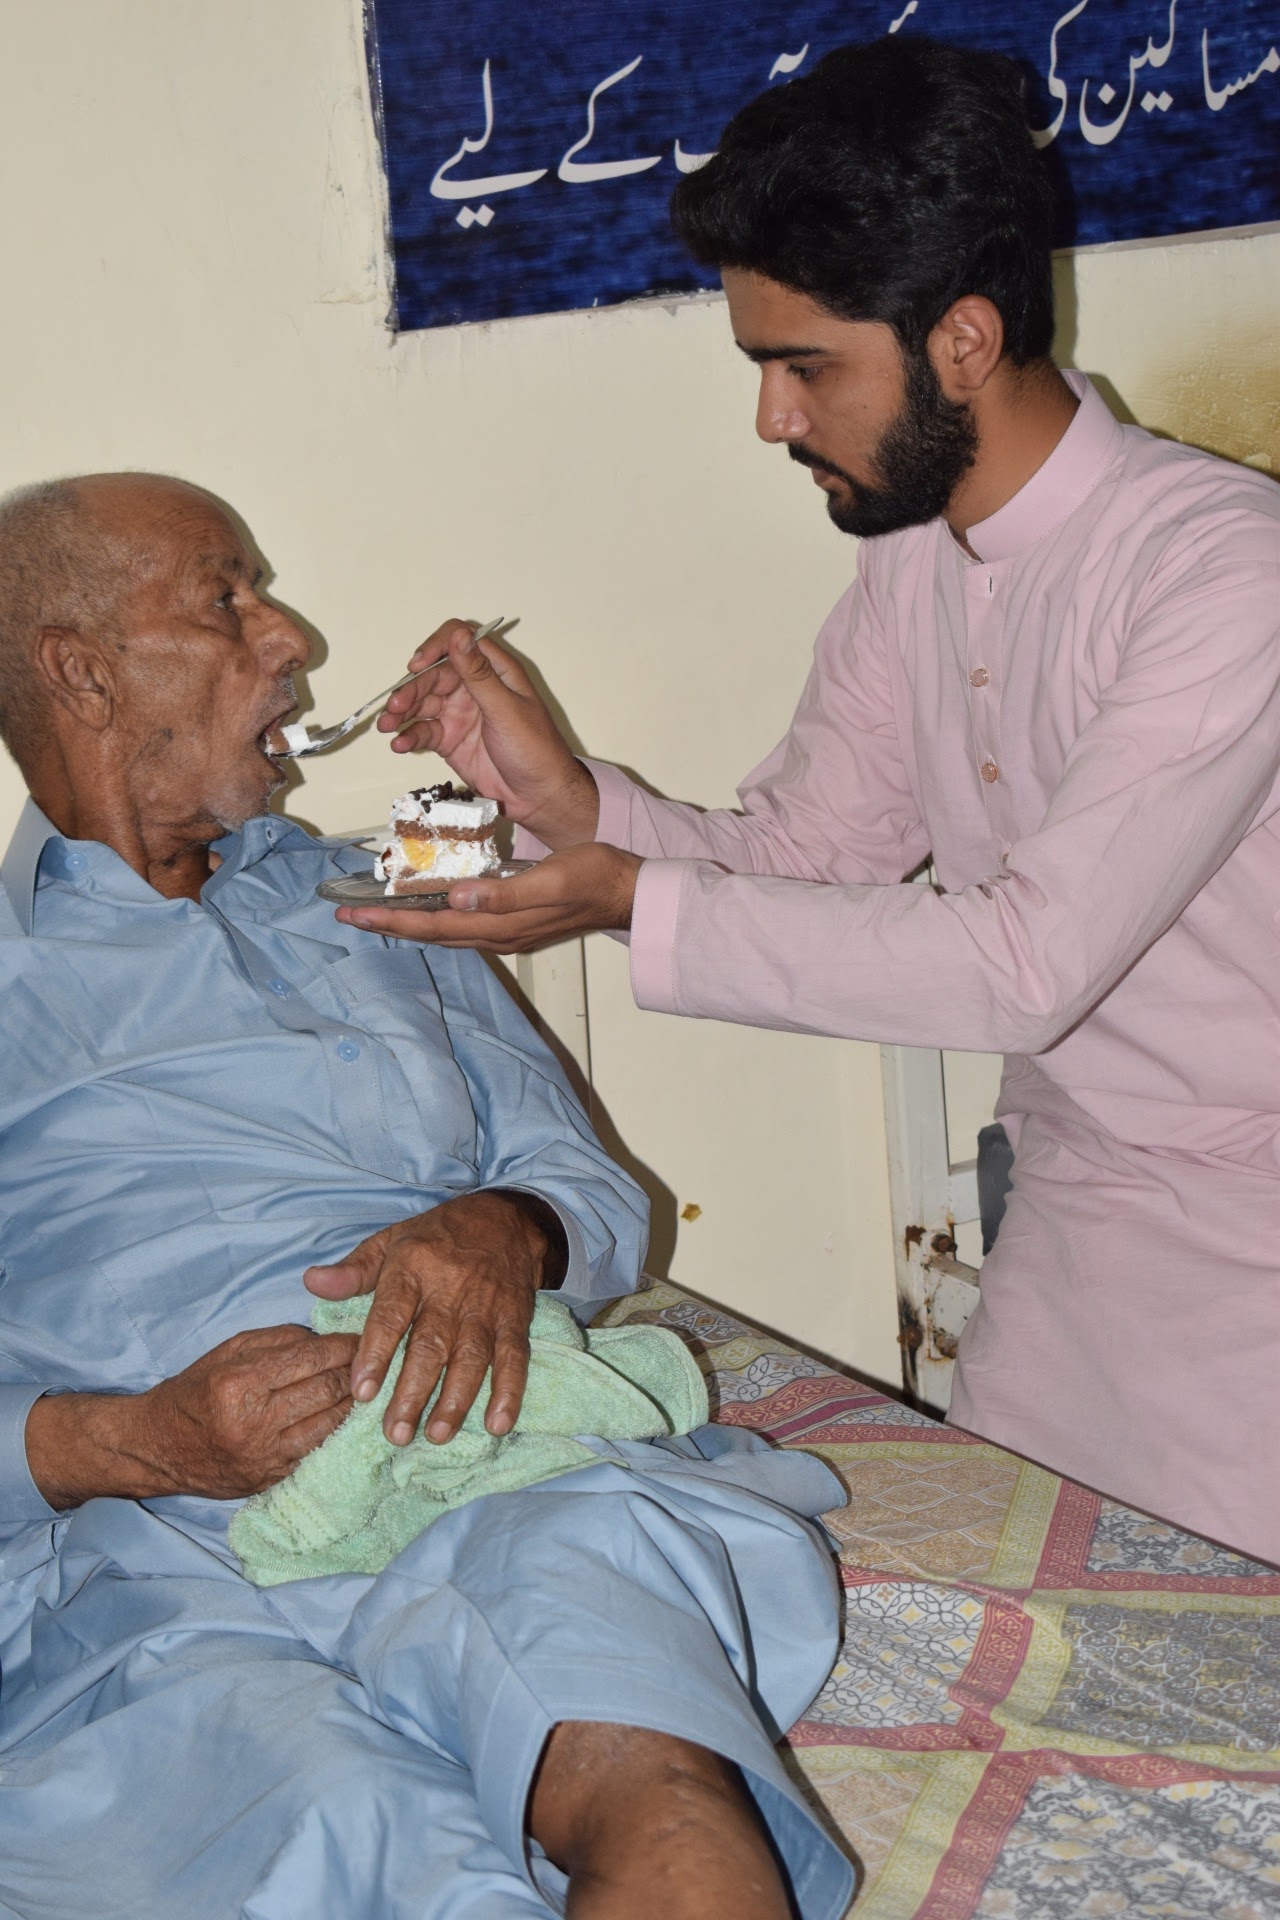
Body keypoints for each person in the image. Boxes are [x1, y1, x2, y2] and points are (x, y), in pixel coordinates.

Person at [346, 38, 1280, 1566]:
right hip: (1081, 1225)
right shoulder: (918, 558)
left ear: (963, 340)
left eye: (805, 368)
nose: (773, 421)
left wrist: (626, 894)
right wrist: (567, 802)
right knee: (1004, 1604)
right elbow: (807, 856)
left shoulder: (1224, 570)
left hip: (1256, 1240)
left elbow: (1023, 964)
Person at [0, 473, 854, 1920]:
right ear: (82, 673)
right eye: (227, 601)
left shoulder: (384, 893)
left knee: (653, 1781)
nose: (293, 639)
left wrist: (504, 1228)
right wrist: (131, 1440)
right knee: (346, 1833)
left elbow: (595, 1196)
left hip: (492, 1462)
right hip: (162, 1557)